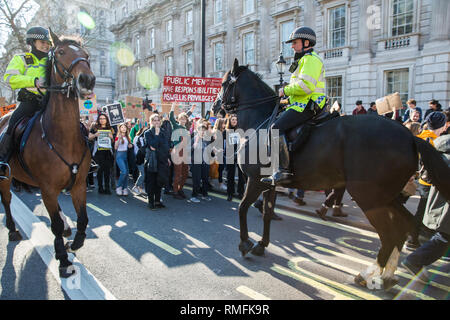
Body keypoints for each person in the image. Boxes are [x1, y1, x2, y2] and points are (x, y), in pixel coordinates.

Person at [261, 26, 326, 185]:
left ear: (306, 42)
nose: (292, 46)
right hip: (301, 103)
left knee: (275, 129)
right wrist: (287, 100)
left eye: (295, 42)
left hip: (309, 104)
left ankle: (282, 171)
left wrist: (285, 91)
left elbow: (306, 87)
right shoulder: (303, 60)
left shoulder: (310, 59)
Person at [0, 27, 52, 175]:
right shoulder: (21, 58)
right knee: (12, 122)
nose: (46, 45)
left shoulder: (53, 60)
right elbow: (10, 78)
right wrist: (33, 81)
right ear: (32, 42)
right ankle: (2, 159)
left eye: (48, 43)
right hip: (30, 102)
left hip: (50, 103)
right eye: (42, 42)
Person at [402, 133, 450, 283]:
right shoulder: (445, 159)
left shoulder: (439, 157)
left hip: (441, 204)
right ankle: (414, 260)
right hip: (445, 207)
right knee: (444, 237)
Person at [405, 112, 447, 250]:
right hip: (432, 181)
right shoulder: (436, 141)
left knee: (423, 210)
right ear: (441, 126)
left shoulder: (420, 137)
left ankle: (417, 239)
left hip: (424, 180)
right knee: (425, 211)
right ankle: (414, 240)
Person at [144, 114, 171, 210]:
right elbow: (153, 145)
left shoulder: (163, 132)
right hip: (152, 161)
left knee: (159, 182)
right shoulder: (147, 133)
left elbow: (165, 147)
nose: (156, 122)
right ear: (151, 122)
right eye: (154, 120)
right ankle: (150, 202)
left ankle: (157, 201)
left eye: (158, 120)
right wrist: (156, 134)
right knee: (151, 182)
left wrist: (167, 157)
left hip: (162, 160)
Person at [170, 103, 195, 200]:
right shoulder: (176, 126)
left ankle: (180, 189)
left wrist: (191, 110)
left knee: (185, 173)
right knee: (178, 173)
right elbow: (171, 117)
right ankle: (175, 191)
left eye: (184, 119)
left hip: (185, 152)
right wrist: (173, 106)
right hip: (177, 151)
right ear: (178, 120)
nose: (183, 120)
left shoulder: (186, 128)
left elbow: (187, 115)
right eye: (181, 119)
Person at [89, 114, 115, 194]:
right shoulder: (94, 128)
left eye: (104, 118)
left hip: (108, 152)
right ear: (98, 119)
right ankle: (100, 188)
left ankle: (107, 188)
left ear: (106, 119)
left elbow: (114, 140)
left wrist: (111, 137)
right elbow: (89, 137)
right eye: (100, 118)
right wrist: (95, 135)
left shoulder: (110, 128)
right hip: (98, 152)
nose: (102, 120)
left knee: (107, 171)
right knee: (100, 170)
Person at [189, 121, 212, 203]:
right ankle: (193, 196)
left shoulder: (207, 140)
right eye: (201, 130)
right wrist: (193, 146)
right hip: (196, 163)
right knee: (197, 180)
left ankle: (204, 195)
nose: (202, 132)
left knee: (206, 179)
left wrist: (214, 152)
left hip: (205, 163)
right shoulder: (193, 139)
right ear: (197, 130)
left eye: (204, 130)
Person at [225, 114, 246, 200]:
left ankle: (240, 193)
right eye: (232, 120)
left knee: (241, 175)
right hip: (230, 155)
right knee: (230, 175)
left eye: (236, 120)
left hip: (240, 154)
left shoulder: (241, 131)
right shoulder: (226, 131)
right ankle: (230, 193)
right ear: (230, 121)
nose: (234, 121)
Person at [114, 123, 133, 196]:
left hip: (126, 155)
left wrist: (130, 145)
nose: (124, 128)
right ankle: (119, 186)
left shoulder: (128, 137)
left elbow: (129, 145)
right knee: (124, 171)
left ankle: (125, 188)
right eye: (122, 127)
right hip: (119, 155)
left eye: (124, 127)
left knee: (127, 173)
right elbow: (115, 147)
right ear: (120, 128)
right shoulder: (117, 136)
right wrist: (119, 139)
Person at [131, 126, 148, 195]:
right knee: (143, 173)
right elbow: (137, 148)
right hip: (140, 158)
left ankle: (140, 188)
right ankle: (136, 186)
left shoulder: (146, 138)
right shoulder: (138, 138)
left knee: (144, 174)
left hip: (145, 158)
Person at [212, 118, 227, 191]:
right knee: (216, 169)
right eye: (224, 123)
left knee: (220, 169)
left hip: (222, 153)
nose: (225, 124)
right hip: (216, 154)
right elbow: (212, 144)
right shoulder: (216, 132)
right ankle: (220, 183)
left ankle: (215, 181)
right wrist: (217, 151)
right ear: (220, 124)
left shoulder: (223, 132)